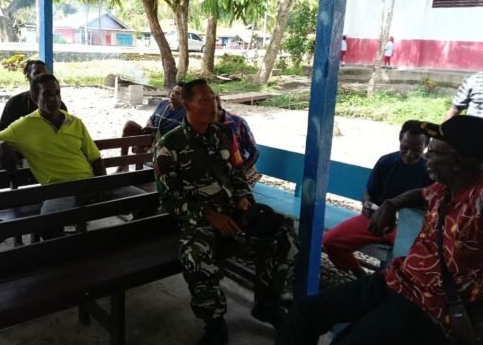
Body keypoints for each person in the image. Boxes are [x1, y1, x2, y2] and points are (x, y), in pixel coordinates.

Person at [275, 115, 483, 345]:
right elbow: (420, 194)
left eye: (432, 152)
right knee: (303, 313)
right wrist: (391, 204)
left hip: (430, 308)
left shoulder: (478, 200)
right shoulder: (443, 188)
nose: (426, 158)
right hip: (397, 280)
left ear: (456, 161)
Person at [155, 79, 298, 345]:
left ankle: (267, 302)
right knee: (194, 255)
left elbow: (237, 173)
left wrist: (244, 198)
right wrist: (209, 215)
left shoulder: (223, 134)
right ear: (187, 104)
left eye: (213, 98)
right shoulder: (169, 145)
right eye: (204, 100)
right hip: (199, 220)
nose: (213, 104)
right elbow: (169, 200)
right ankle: (215, 323)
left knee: (285, 236)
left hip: (235, 214)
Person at [0, 73, 106, 238]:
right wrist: (1, 145)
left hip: (90, 183)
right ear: (35, 98)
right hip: (60, 190)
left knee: (139, 199)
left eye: (57, 93)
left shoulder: (75, 122)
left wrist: (102, 185)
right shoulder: (24, 126)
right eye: (47, 94)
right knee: (47, 228)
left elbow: (95, 159)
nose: (54, 98)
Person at [322, 120, 432, 277]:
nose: (409, 154)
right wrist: (367, 204)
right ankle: (360, 275)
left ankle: (393, 284)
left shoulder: (431, 170)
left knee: (411, 256)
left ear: (426, 146)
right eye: (404, 148)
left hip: (407, 226)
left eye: (417, 150)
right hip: (377, 218)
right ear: (400, 140)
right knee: (331, 241)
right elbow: (369, 193)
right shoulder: (386, 162)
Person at [117, 82, 185, 171]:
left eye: (177, 93)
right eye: (173, 91)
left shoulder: (185, 113)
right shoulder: (163, 104)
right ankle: (123, 164)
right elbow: (151, 119)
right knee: (129, 125)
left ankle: (140, 170)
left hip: (164, 143)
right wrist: (149, 124)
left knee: (140, 146)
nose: (173, 94)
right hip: (150, 136)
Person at [0, 60, 67, 131]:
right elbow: (2, 131)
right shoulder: (14, 103)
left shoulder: (58, 104)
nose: (41, 77)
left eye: (44, 74)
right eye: (37, 74)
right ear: (28, 76)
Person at [216, 96, 261, 187]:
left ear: (218, 107)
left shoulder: (238, 122)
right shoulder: (203, 123)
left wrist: (242, 170)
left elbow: (255, 151)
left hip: (238, 170)